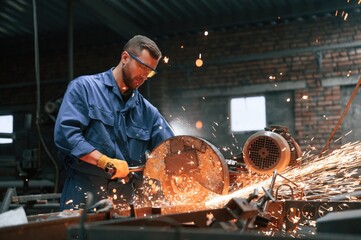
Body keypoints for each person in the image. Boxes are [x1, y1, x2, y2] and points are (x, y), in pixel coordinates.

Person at [54, 35, 175, 210]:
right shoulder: (85, 88)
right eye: (142, 66)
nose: (144, 76)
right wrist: (103, 161)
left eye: (149, 72)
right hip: (83, 198)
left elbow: (171, 149)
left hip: (124, 203)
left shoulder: (148, 113)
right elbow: (66, 136)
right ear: (125, 58)